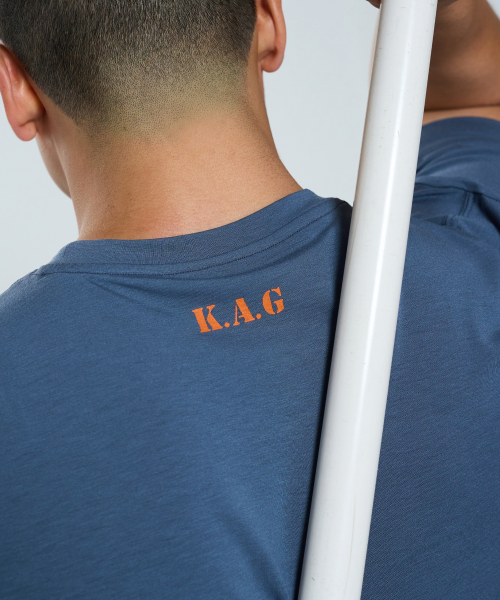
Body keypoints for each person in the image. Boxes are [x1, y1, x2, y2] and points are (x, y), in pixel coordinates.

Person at [0, 0, 499, 597]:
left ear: (15, 89)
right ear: (269, 21)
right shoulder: (479, 244)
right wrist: (445, 10)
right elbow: (476, 102)